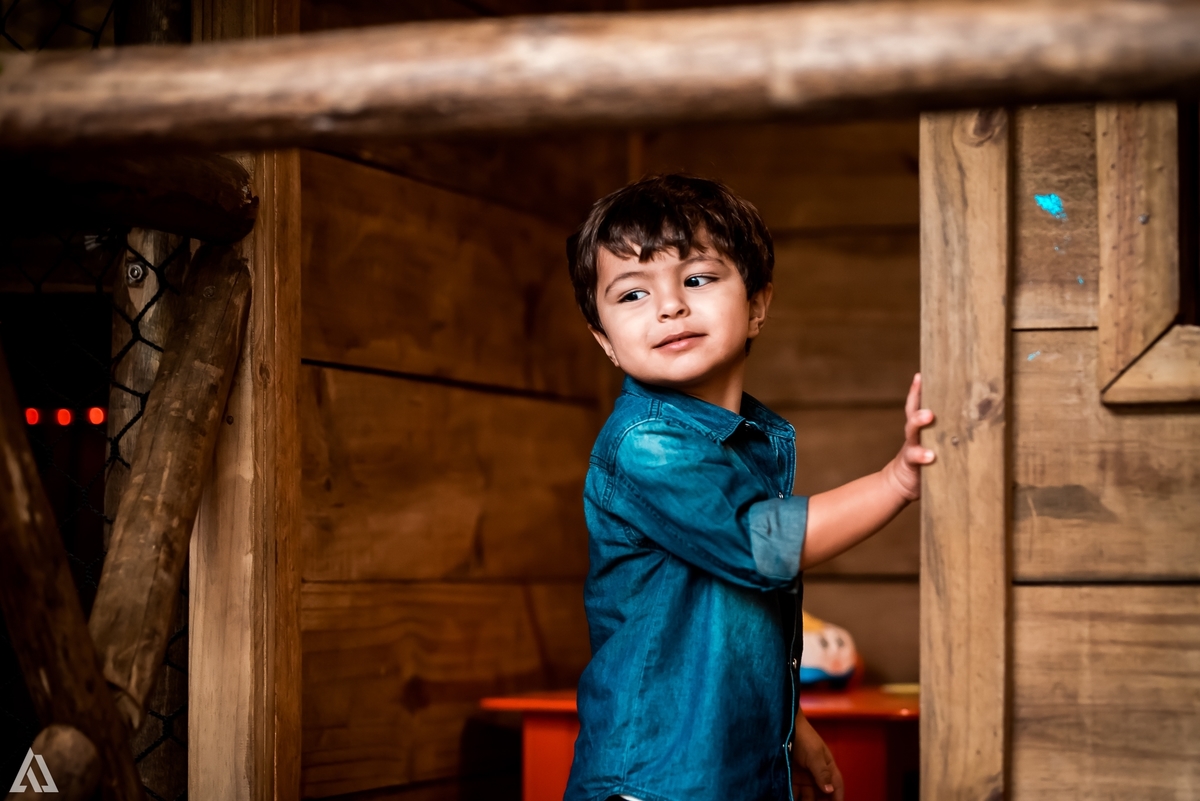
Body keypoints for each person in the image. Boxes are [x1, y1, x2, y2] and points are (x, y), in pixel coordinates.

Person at [562, 175, 935, 801]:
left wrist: (788, 726)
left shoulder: (736, 442)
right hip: (656, 780)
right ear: (606, 342)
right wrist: (895, 480)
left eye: (697, 279)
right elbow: (763, 546)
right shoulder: (647, 444)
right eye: (632, 294)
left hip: (721, 770)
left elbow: (727, 627)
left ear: (758, 305)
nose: (669, 307)